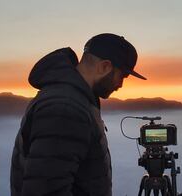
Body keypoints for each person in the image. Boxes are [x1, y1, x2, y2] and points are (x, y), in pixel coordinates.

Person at [10, 33, 146, 196]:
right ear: (104, 67)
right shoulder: (65, 109)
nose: (121, 84)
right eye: (122, 76)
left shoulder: (73, 99)